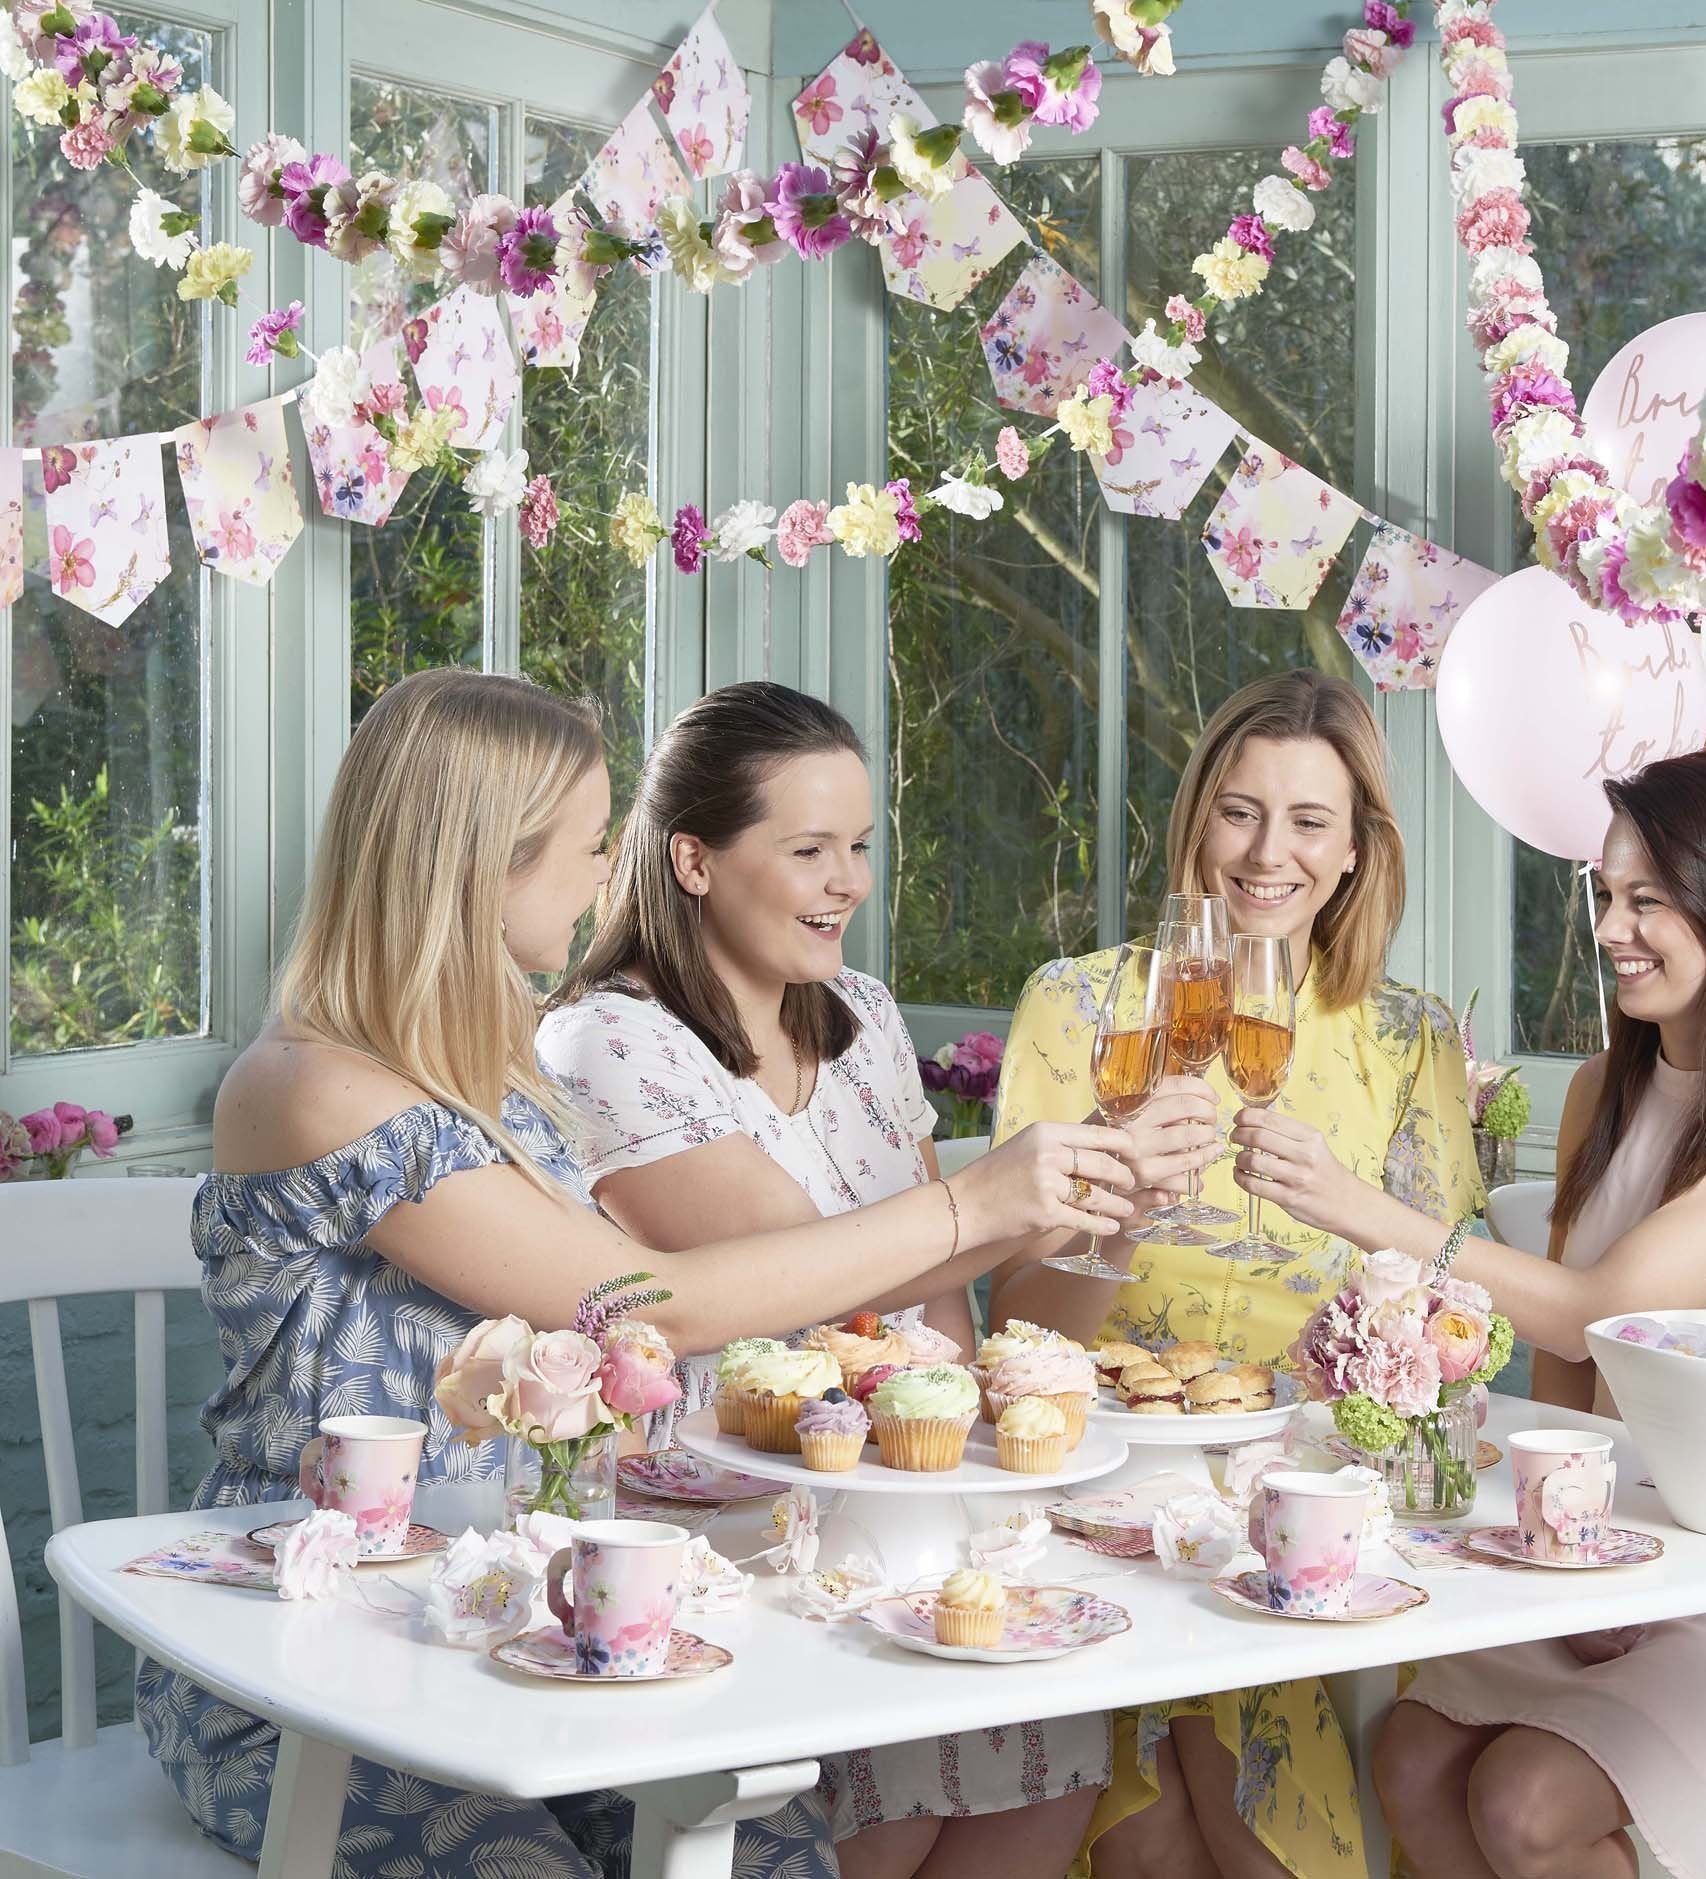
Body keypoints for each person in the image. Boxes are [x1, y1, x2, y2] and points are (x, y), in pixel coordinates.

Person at [137, 669, 1133, 1879]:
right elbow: (644, 1297)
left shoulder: (492, 1069)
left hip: (524, 1623)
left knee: (778, 1859)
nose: (611, 875)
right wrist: (973, 1199)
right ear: (480, 866)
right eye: (587, 845)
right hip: (318, 1662)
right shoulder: (316, 1087)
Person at [1311, 747, 1706, 1879]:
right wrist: (1556, 1547)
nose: (1609, 927)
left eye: (1647, 898)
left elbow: (1596, 1309)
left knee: (1526, 1801)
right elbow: (1563, 1374)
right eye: (1604, 894)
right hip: (1611, 1559)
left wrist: (1365, 1213)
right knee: (1407, 1753)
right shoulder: (1603, 1089)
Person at [539, 680, 1110, 1879]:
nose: (848, 879)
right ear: (692, 860)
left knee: (1057, 1749)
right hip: (735, 1520)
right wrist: (999, 1201)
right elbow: (818, 1294)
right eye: (808, 850)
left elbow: (922, 1303)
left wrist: (1074, 1208)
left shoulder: (860, 1010)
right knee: (892, 1813)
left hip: (897, 1497)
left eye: (857, 845)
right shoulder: (610, 1039)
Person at [987, 669, 1484, 1879]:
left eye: (1309, 821)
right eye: (1239, 811)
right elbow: (1012, 1332)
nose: (1268, 853)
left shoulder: (1406, 1038)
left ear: (1358, 850)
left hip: (1317, 1492)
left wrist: (1343, 1224)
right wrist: (1119, 1220)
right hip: (1101, 1479)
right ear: (1196, 818)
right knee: (1153, 1815)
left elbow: (1453, 1327)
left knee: (1232, 1764)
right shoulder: (1080, 1008)